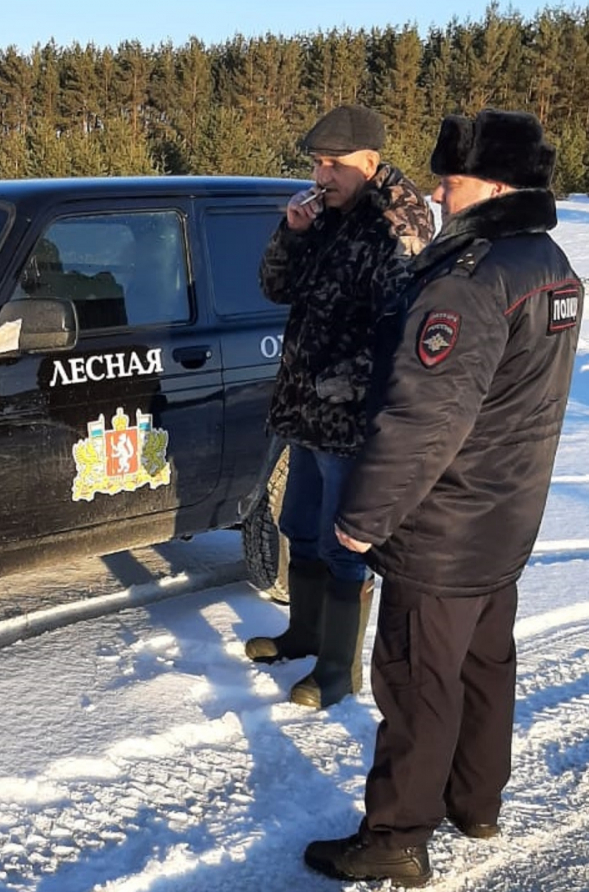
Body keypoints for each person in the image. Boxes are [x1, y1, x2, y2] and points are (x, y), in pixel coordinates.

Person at [306, 109, 583, 886]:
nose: (436, 190)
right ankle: (476, 801)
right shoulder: (549, 262)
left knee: (417, 684)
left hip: (446, 524)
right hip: (507, 512)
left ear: (495, 185)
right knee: (486, 664)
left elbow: (423, 417)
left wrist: (363, 519)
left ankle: (395, 836)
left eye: (450, 180)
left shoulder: (473, 280)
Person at [244, 105, 434, 709]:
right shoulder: (325, 212)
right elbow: (275, 288)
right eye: (316, 163)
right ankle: (304, 634)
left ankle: (337, 668)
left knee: (342, 542)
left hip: (350, 417)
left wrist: (343, 384)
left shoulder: (398, 223)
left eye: (334, 164)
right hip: (305, 406)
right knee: (297, 525)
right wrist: (291, 234)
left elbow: (401, 329)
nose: (321, 175)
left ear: (370, 163)